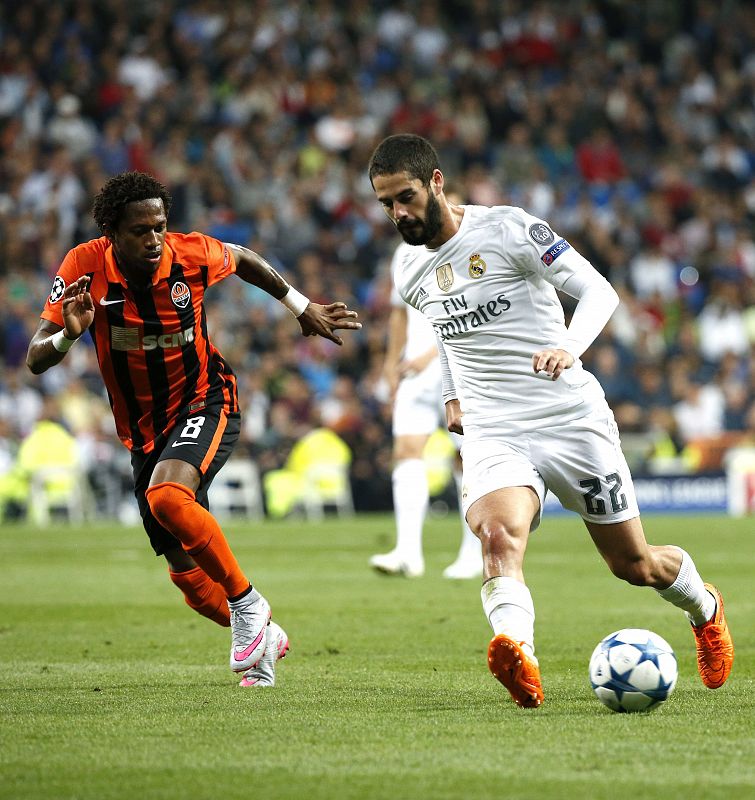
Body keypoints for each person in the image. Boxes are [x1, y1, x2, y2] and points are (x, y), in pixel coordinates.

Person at [367, 134, 734, 708]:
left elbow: (597, 292)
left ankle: (705, 608)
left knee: (634, 565)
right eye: (386, 204)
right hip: (494, 428)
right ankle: (519, 655)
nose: (398, 213)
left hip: (568, 416)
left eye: (405, 197)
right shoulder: (411, 271)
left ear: (435, 181)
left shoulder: (509, 229)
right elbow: (446, 333)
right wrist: (451, 396)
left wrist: (569, 347)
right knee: (497, 535)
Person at [26, 171, 361, 689]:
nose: (154, 239)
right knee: (191, 584)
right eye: (140, 230)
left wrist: (301, 306)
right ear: (112, 233)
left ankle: (249, 604)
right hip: (142, 431)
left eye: (160, 226)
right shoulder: (84, 267)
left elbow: (244, 258)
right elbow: (34, 359)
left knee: (166, 496)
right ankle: (264, 642)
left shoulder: (191, 254)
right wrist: (69, 337)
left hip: (207, 399)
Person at [370, 235, 482, 579]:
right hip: (412, 371)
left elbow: (470, 311)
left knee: (468, 456)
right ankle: (408, 553)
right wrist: (391, 364)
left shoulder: (464, 245)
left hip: (458, 366)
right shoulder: (403, 252)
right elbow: (399, 313)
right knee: (406, 450)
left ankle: (473, 552)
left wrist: (428, 355)